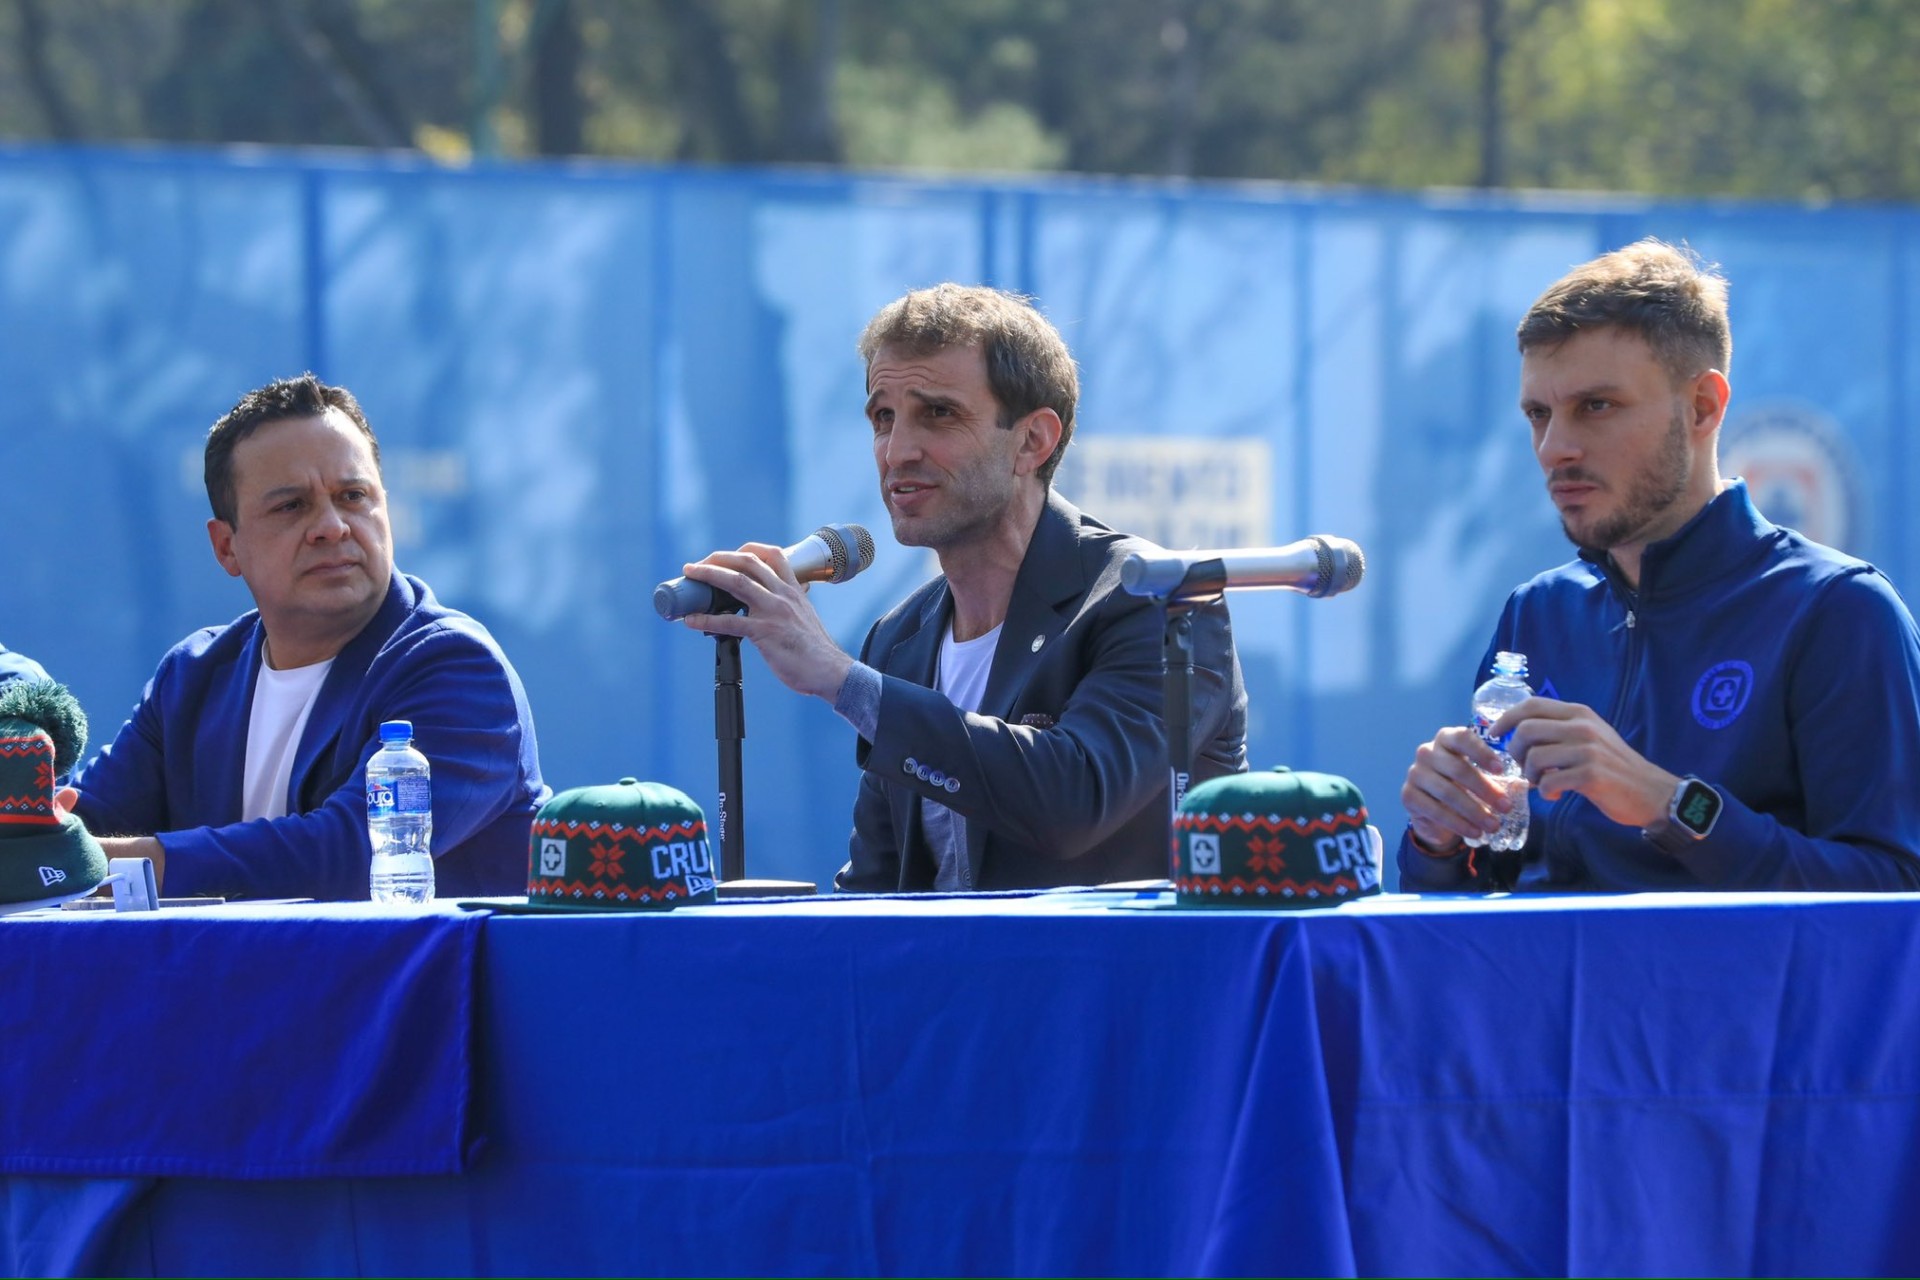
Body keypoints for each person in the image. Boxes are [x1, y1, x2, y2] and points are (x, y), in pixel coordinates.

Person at [679, 283, 1248, 891]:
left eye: (939, 414)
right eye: (882, 417)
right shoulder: (901, 637)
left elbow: (1074, 804)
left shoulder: (1157, 599)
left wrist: (841, 680)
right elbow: (878, 888)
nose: (898, 451)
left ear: (1033, 441)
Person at [1399, 239, 1920, 892]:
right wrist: (1437, 840)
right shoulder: (1538, 613)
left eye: (1597, 406)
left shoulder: (1838, 611)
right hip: (1546, 997)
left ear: (1702, 407)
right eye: (1538, 413)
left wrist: (1672, 806)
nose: (1554, 448)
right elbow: (1482, 897)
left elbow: (1895, 895)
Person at [71, 374, 548, 900]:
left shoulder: (456, 666)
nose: (333, 526)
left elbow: (349, 855)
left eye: (353, 496)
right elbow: (81, 825)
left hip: (416, 984)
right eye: (291, 506)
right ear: (226, 546)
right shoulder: (193, 676)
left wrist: (113, 863)